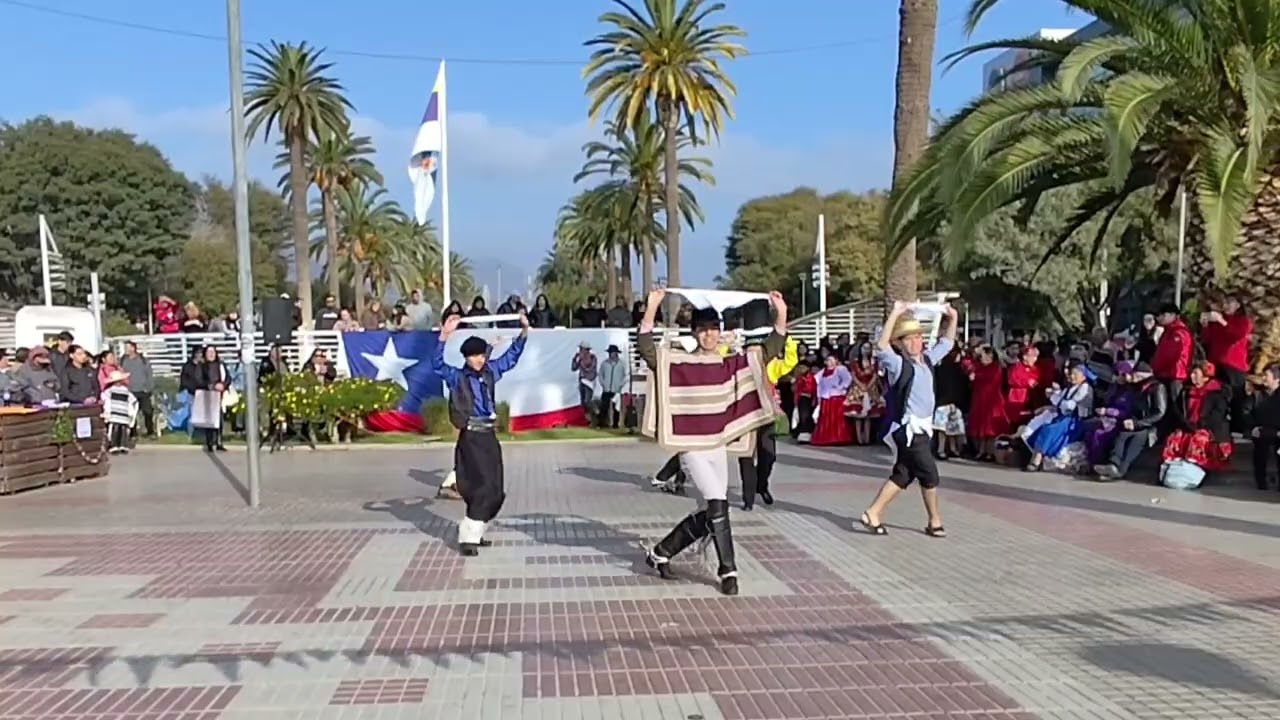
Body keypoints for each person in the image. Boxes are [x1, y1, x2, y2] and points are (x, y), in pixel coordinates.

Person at [636, 288, 788, 596]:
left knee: (714, 510)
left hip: (716, 445)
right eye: (703, 329)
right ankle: (728, 570)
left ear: (720, 332)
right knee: (717, 503)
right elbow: (648, 351)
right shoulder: (680, 363)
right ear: (694, 332)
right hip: (692, 448)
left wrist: (781, 313)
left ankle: (661, 552)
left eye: (713, 329)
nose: (709, 334)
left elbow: (769, 349)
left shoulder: (729, 364)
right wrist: (652, 307)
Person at [858, 302, 958, 538]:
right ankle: (935, 521)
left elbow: (947, 343)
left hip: (924, 427)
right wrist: (895, 313)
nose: (914, 342)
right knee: (930, 474)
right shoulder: (898, 365)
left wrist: (952, 317)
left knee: (903, 474)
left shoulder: (928, 360)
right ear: (900, 343)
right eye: (908, 339)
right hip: (909, 429)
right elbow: (881, 346)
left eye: (917, 337)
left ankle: (873, 512)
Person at [433, 311, 529, 556]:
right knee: (482, 486)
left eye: (482, 355)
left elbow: (511, 358)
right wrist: (444, 335)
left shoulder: (490, 371)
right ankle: (468, 537)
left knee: (496, 489)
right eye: (474, 356)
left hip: (489, 436)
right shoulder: (457, 377)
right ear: (466, 357)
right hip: (471, 437)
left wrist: (524, 332)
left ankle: (477, 531)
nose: (479, 360)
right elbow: (437, 364)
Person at [1094, 362, 1168, 480]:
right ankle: (1113, 465)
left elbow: (1159, 413)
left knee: (1136, 439)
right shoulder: (1137, 388)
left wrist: (1138, 423)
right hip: (1134, 422)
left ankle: (1120, 472)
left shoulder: (1157, 387)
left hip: (1149, 426)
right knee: (1121, 435)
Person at [1160, 362, 1232, 473]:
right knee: (1174, 439)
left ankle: (1197, 467)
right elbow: (1177, 410)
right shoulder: (1186, 391)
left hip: (1209, 428)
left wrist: (1200, 425)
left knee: (1198, 440)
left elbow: (1218, 414)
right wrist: (1186, 423)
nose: (1192, 376)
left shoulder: (1218, 393)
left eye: (1195, 373)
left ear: (1205, 376)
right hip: (1188, 426)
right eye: (1191, 373)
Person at [1022, 363, 1094, 472]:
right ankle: (1036, 456)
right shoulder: (1070, 388)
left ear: (1083, 376)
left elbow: (1069, 406)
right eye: (1071, 373)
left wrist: (1054, 397)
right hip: (1063, 418)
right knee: (1041, 428)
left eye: (1075, 374)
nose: (1072, 376)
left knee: (1049, 429)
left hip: (1074, 421)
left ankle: (1037, 460)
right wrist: (1054, 394)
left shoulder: (1085, 389)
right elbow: (1060, 400)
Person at [1200, 294, 1252, 433]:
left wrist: (1222, 321)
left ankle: (1237, 428)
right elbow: (1207, 339)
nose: (1226, 306)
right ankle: (1216, 424)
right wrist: (1205, 325)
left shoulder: (1243, 321)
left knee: (1236, 397)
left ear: (1238, 305)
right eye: (1225, 303)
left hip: (1234, 365)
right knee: (1217, 395)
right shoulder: (1218, 320)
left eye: (1230, 303)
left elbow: (1236, 335)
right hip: (1216, 363)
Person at [966, 345, 1007, 461]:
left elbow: (992, 380)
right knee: (980, 426)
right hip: (980, 399)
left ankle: (990, 451)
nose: (982, 358)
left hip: (991, 400)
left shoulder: (996, 368)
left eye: (984, 355)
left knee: (990, 427)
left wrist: (977, 377)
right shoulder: (978, 367)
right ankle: (981, 450)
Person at [1151, 302, 1193, 409]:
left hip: (1175, 374)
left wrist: (1160, 367)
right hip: (1165, 373)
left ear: (1172, 315)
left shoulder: (1179, 332)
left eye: (1163, 315)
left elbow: (1174, 355)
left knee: (1176, 406)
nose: (1160, 318)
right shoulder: (1168, 331)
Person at [1246, 364, 1280, 491]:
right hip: (1261, 430)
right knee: (1260, 452)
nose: (1264, 378)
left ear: (1277, 379)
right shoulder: (1257, 395)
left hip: (1278, 431)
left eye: (1267, 376)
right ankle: (1261, 481)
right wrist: (1253, 427)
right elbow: (1246, 412)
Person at [845, 342, 885, 446]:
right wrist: (861, 385)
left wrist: (869, 386)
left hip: (871, 388)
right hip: (858, 388)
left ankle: (866, 439)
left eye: (868, 348)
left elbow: (875, 375)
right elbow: (853, 375)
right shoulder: (855, 362)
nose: (866, 350)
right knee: (858, 415)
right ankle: (859, 439)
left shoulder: (874, 362)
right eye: (864, 348)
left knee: (868, 416)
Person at [810, 355, 853, 446]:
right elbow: (818, 384)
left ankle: (839, 438)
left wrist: (841, 387)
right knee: (825, 419)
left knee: (837, 419)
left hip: (836, 397)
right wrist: (819, 397)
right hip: (826, 398)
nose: (830, 362)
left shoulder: (840, 369)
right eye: (828, 360)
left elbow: (848, 379)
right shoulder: (822, 372)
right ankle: (825, 438)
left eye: (832, 360)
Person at [195, 346, 229, 452]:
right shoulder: (201, 366)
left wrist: (223, 385)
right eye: (209, 352)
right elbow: (199, 380)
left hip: (220, 395)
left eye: (213, 352)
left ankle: (219, 441)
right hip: (207, 395)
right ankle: (209, 442)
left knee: (220, 419)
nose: (211, 354)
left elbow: (228, 377)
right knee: (209, 420)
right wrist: (212, 386)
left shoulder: (221, 365)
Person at [121, 341, 156, 439]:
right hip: (130, 391)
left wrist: (148, 388)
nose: (126, 350)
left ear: (133, 348)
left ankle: (150, 431)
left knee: (147, 411)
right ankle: (133, 433)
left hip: (143, 390)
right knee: (132, 413)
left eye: (128, 347)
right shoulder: (123, 361)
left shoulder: (143, 360)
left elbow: (149, 374)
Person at [100, 370, 137, 455]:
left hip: (123, 413)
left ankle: (122, 445)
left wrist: (131, 412)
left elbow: (133, 400)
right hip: (115, 414)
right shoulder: (110, 391)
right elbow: (104, 398)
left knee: (123, 430)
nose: (118, 383)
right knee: (115, 429)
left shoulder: (125, 390)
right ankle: (114, 446)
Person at [597, 345, 628, 429]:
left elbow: (626, 375)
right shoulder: (604, 363)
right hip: (606, 389)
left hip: (616, 389)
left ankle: (615, 424)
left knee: (616, 408)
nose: (611, 354)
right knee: (604, 407)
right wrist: (603, 383)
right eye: (610, 353)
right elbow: (600, 374)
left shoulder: (622, 364)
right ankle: (602, 423)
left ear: (616, 353)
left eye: (612, 352)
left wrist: (621, 384)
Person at [571, 342, 598, 421]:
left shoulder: (592, 357)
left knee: (587, 401)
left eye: (581, 349)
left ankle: (595, 410)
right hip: (582, 381)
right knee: (583, 402)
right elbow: (573, 368)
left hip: (589, 382)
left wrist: (581, 361)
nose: (580, 350)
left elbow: (590, 369)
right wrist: (574, 359)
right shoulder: (579, 358)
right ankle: (589, 419)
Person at [792, 362, 817, 443]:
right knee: (801, 416)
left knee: (805, 416)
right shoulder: (799, 378)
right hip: (800, 398)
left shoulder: (809, 377)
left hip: (807, 398)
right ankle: (801, 433)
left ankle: (806, 434)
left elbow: (811, 389)